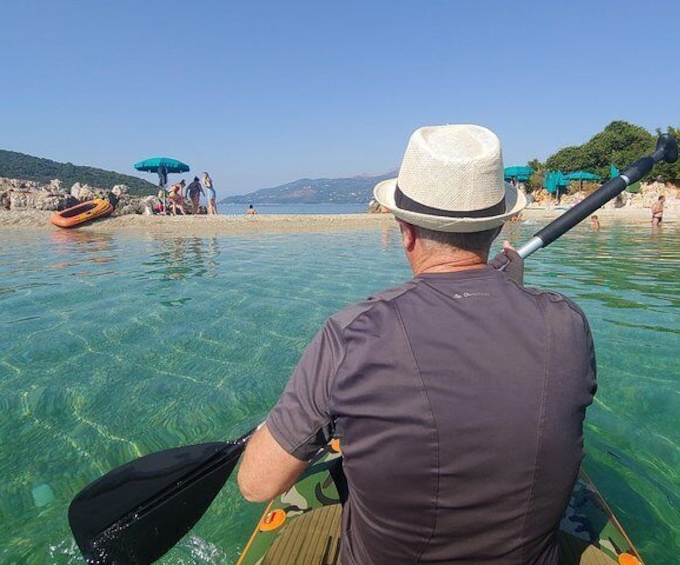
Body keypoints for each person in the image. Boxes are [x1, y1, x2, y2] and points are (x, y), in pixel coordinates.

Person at [238, 124, 597, 564]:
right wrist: (511, 293)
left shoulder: (352, 334)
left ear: (405, 230)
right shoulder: (567, 323)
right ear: (498, 224)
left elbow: (256, 485)